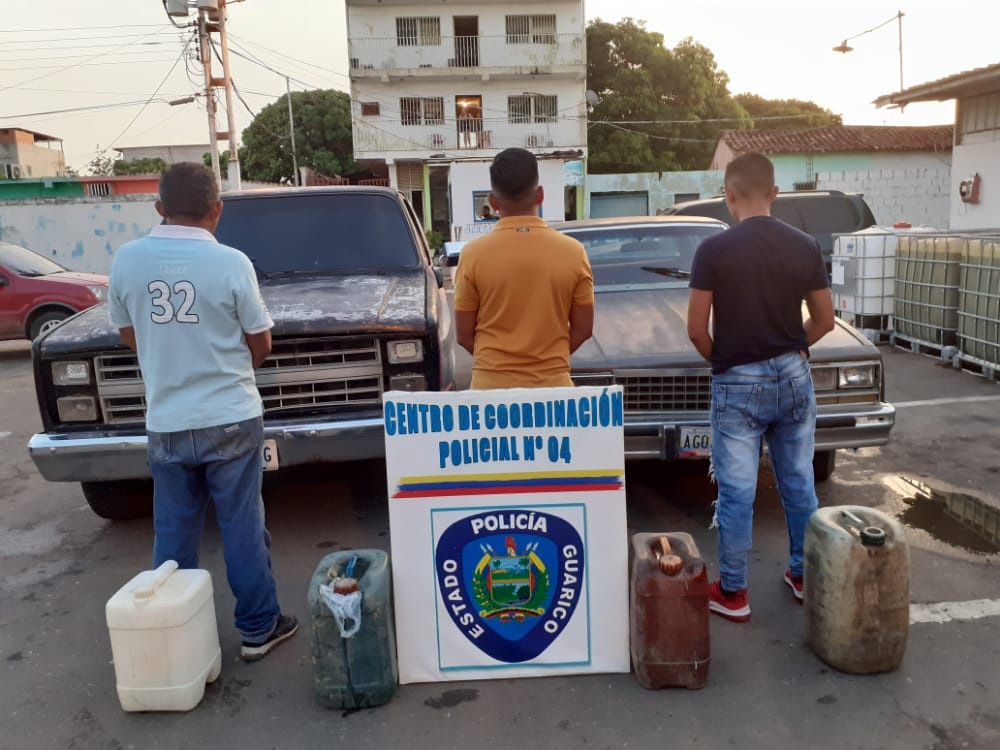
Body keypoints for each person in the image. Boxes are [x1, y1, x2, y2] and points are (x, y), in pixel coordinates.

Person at [108, 163, 298, 660]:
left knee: (173, 533)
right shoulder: (232, 262)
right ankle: (259, 628)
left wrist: (166, 357)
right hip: (231, 415)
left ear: (159, 208)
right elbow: (262, 342)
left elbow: (129, 335)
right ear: (217, 209)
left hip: (167, 421)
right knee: (241, 526)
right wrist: (227, 364)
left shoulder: (127, 260)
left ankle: (172, 639)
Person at [686, 152, 835, 623]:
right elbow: (826, 320)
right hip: (794, 377)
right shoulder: (805, 245)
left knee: (737, 491)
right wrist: (793, 348)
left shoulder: (713, 250)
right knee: (797, 481)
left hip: (737, 381)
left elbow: (696, 330)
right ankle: (805, 576)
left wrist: (728, 362)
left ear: (728, 195)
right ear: (774, 194)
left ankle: (732, 592)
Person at [453, 147, 594, 389]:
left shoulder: (473, 254)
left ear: (493, 201)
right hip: (553, 390)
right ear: (540, 195)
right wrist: (548, 362)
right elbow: (583, 329)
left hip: (490, 391)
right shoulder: (573, 252)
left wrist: (499, 367)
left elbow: (464, 335)